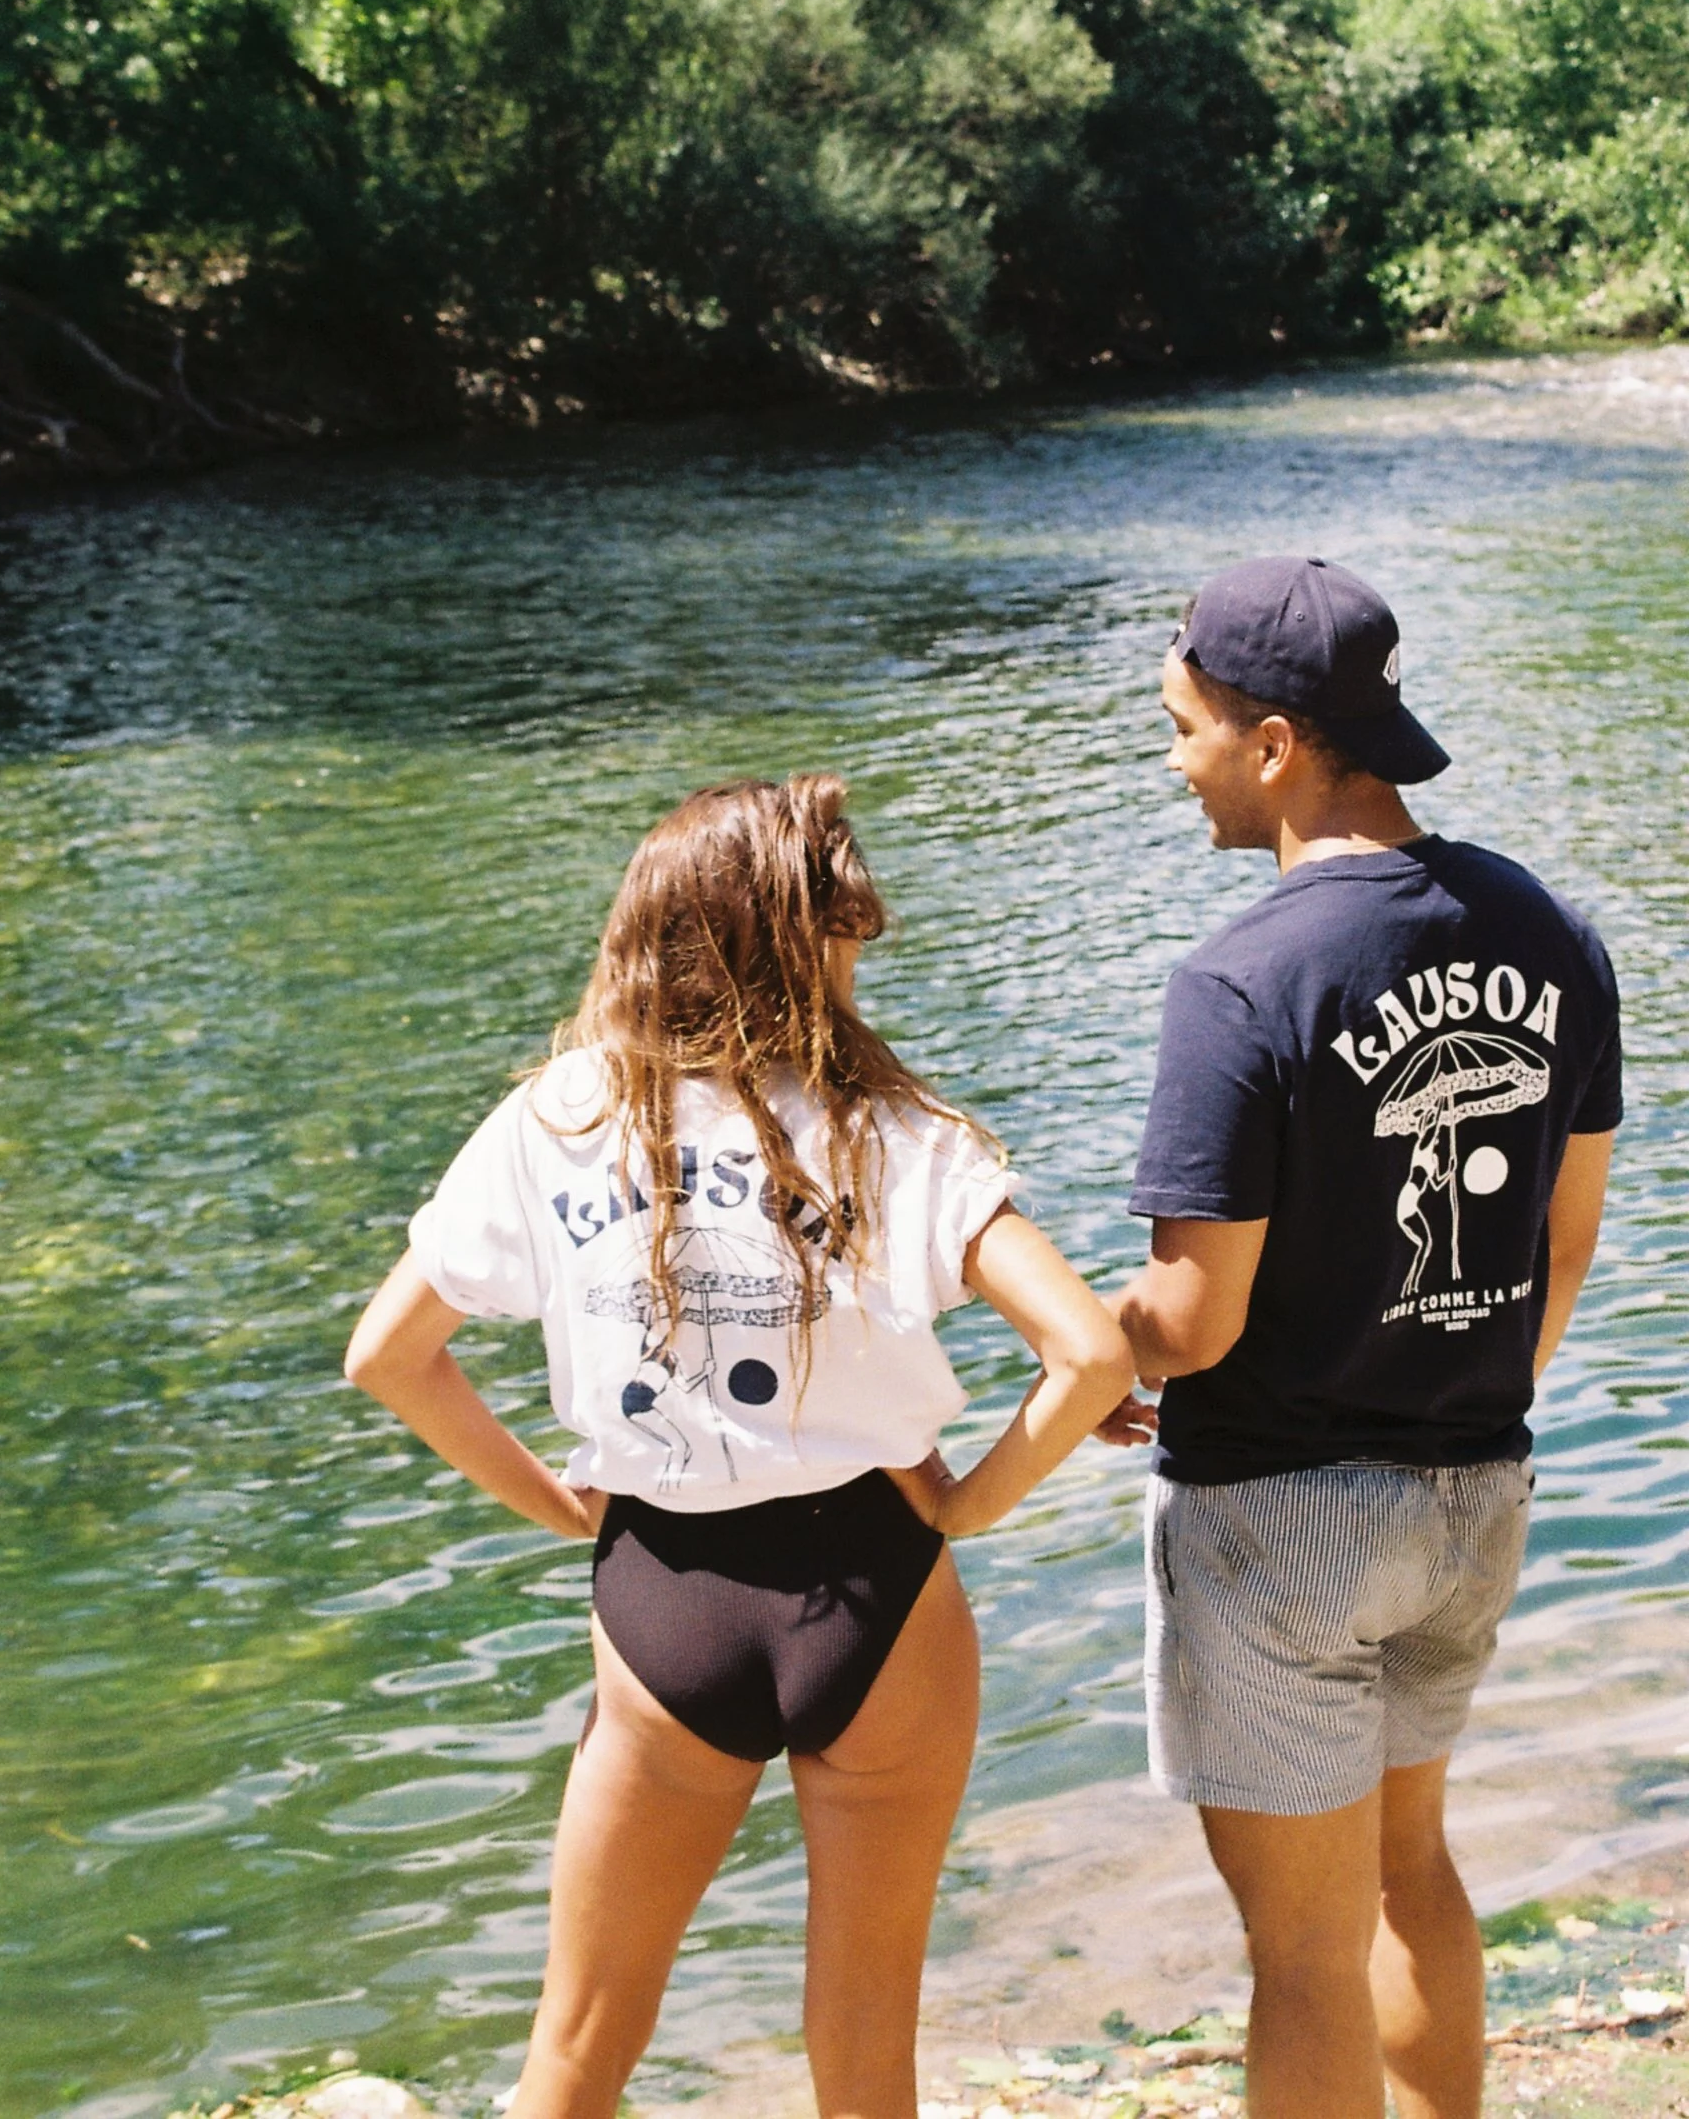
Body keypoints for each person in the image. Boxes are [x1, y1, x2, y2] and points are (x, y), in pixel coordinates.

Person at [345, 773, 1140, 2119]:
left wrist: (551, 1505)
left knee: (581, 2043)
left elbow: (388, 1357)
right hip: (879, 1589)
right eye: (843, 933)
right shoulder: (894, 1131)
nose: (857, 960)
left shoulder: (557, 1119)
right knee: (866, 2055)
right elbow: (1092, 1355)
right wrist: (970, 1508)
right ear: (795, 941)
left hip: (664, 1592)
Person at [1100, 557, 1621, 2119]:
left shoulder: (1241, 980)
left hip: (1280, 1520)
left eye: (1183, 726)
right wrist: (1458, 1395)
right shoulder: (1553, 934)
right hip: (1476, 1492)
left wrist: (1085, 1346)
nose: (1171, 758)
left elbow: (1191, 1322)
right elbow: (1563, 1244)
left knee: (1304, 1954)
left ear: (1274, 747)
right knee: (1413, 1875)